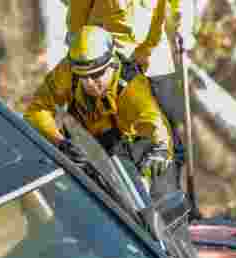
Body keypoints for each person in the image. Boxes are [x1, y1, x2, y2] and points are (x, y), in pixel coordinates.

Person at [24, 25, 177, 197]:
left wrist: (161, 150)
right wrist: (60, 143)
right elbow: (37, 109)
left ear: (111, 64)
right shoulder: (69, 69)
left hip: (123, 156)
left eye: (96, 75)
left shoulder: (132, 86)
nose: (89, 83)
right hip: (79, 149)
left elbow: (155, 122)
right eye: (83, 76)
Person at [66, 0, 196, 153]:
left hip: (153, 59)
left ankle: (161, 166)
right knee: (99, 123)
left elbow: (181, 5)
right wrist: (77, 39)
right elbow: (79, 8)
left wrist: (184, 30)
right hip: (107, 55)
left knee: (164, 127)